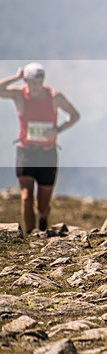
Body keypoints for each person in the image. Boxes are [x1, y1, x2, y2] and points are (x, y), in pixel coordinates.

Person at [0, 63, 80, 234]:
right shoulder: (19, 95)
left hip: (47, 154)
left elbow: (75, 115)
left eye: (39, 82)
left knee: (42, 206)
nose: (36, 86)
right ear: (26, 81)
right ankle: (31, 234)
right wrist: (16, 77)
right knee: (26, 197)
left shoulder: (54, 97)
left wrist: (57, 130)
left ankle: (43, 221)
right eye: (32, 82)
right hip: (26, 152)